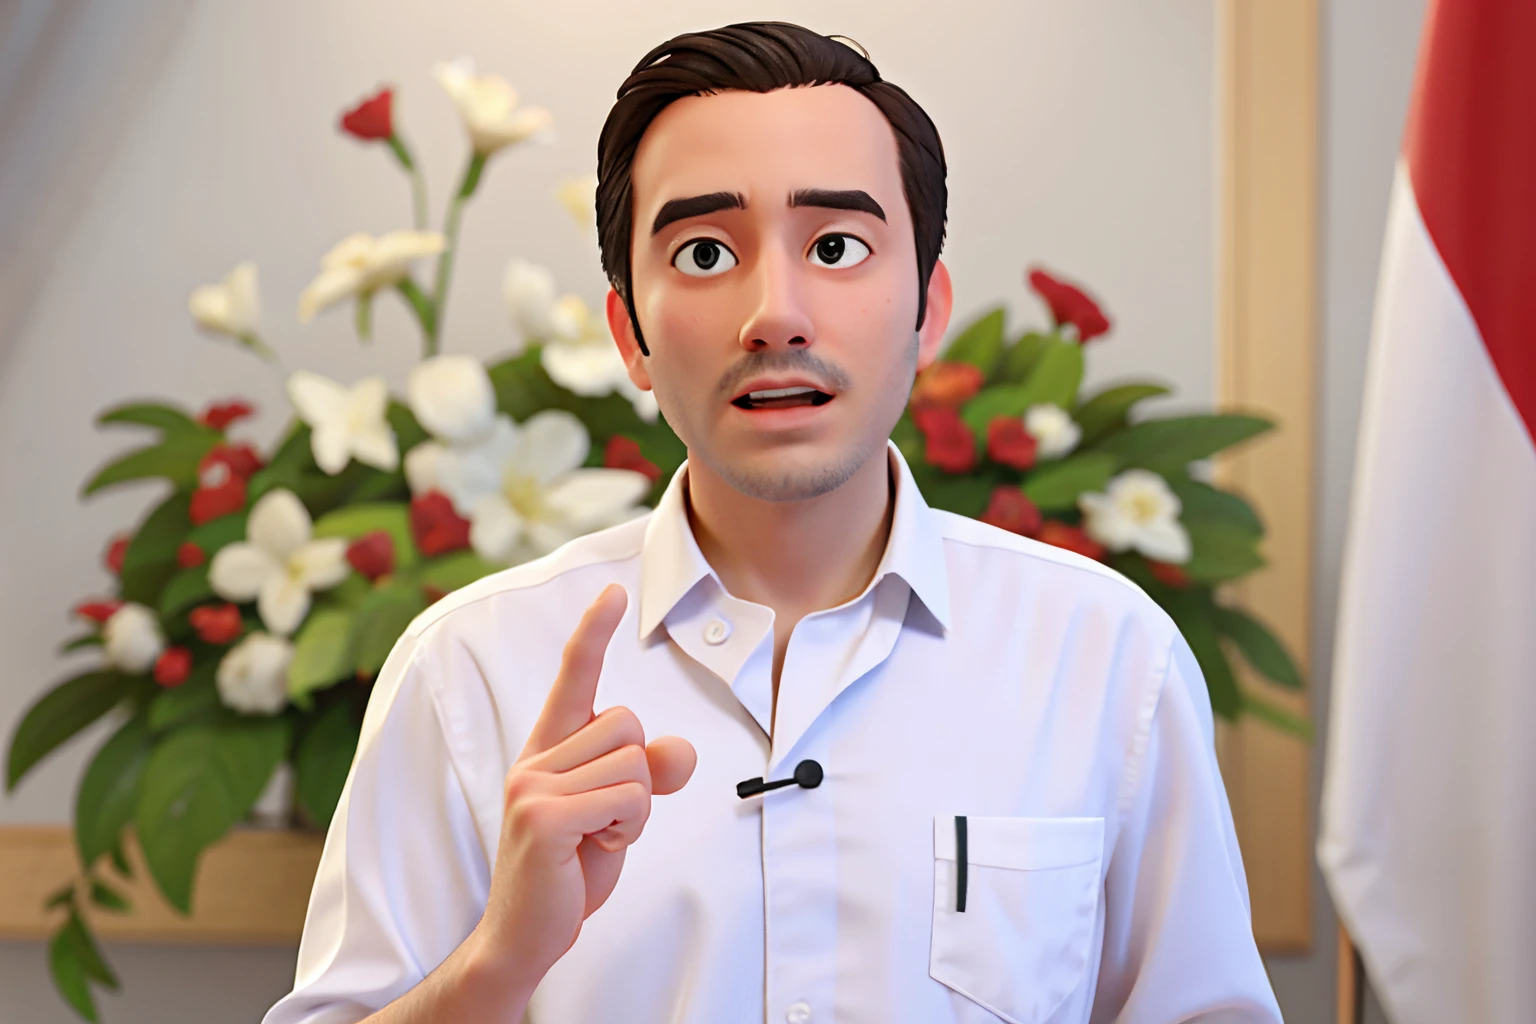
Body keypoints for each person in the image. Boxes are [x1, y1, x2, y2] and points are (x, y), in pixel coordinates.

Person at [264, 21, 1282, 1024]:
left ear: (928, 310)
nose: (775, 313)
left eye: (836, 245)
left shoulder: (1105, 655)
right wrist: (499, 961)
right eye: (705, 251)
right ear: (630, 335)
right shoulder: (468, 668)